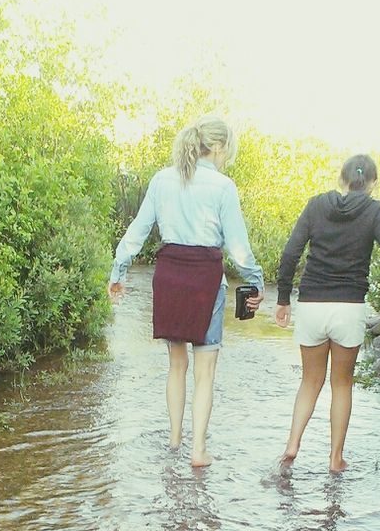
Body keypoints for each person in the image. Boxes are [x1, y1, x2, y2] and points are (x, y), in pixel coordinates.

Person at [108, 116, 264, 468]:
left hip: (169, 275)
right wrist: (256, 280)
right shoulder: (223, 187)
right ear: (219, 146)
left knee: (175, 366)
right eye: (229, 151)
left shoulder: (162, 179)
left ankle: (175, 441)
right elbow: (238, 248)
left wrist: (118, 270)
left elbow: (138, 230)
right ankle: (198, 452)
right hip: (205, 278)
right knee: (204, 372)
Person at [275, 153, 380, 473]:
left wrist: (283, 297)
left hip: (312, 305)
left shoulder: (316, 205)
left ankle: (292, 444)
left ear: (341, 179)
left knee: (309, 381)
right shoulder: (374, 210)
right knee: (341, 384)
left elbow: (291, 252)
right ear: (372, 183)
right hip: (349, 308)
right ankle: (335, 458)